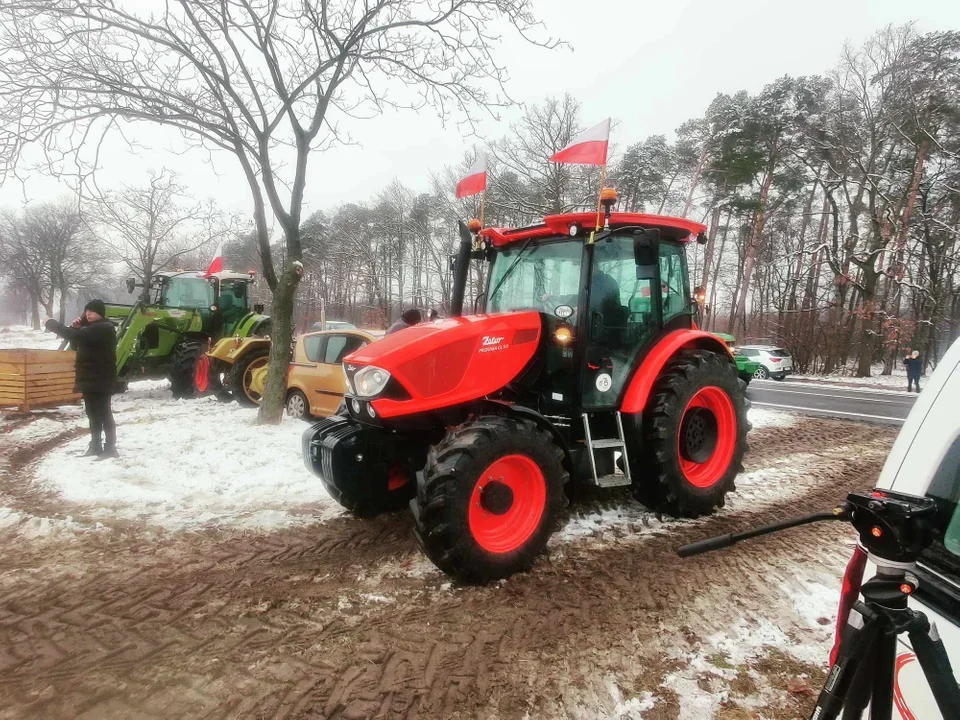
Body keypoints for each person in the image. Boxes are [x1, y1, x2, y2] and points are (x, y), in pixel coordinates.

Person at [45, 300, 119, 459]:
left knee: (104, 412)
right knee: (92, 413)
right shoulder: (90, 329)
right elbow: (75, 344)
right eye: (87, 311)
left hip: (101, 377)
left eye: (92, 311)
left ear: (101, 313)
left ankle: (111, 448)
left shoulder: (104, 328)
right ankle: (95, 446)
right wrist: (76, 328)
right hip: (88, 377)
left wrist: (50, 323)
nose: (88, 314)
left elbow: (74, 335)